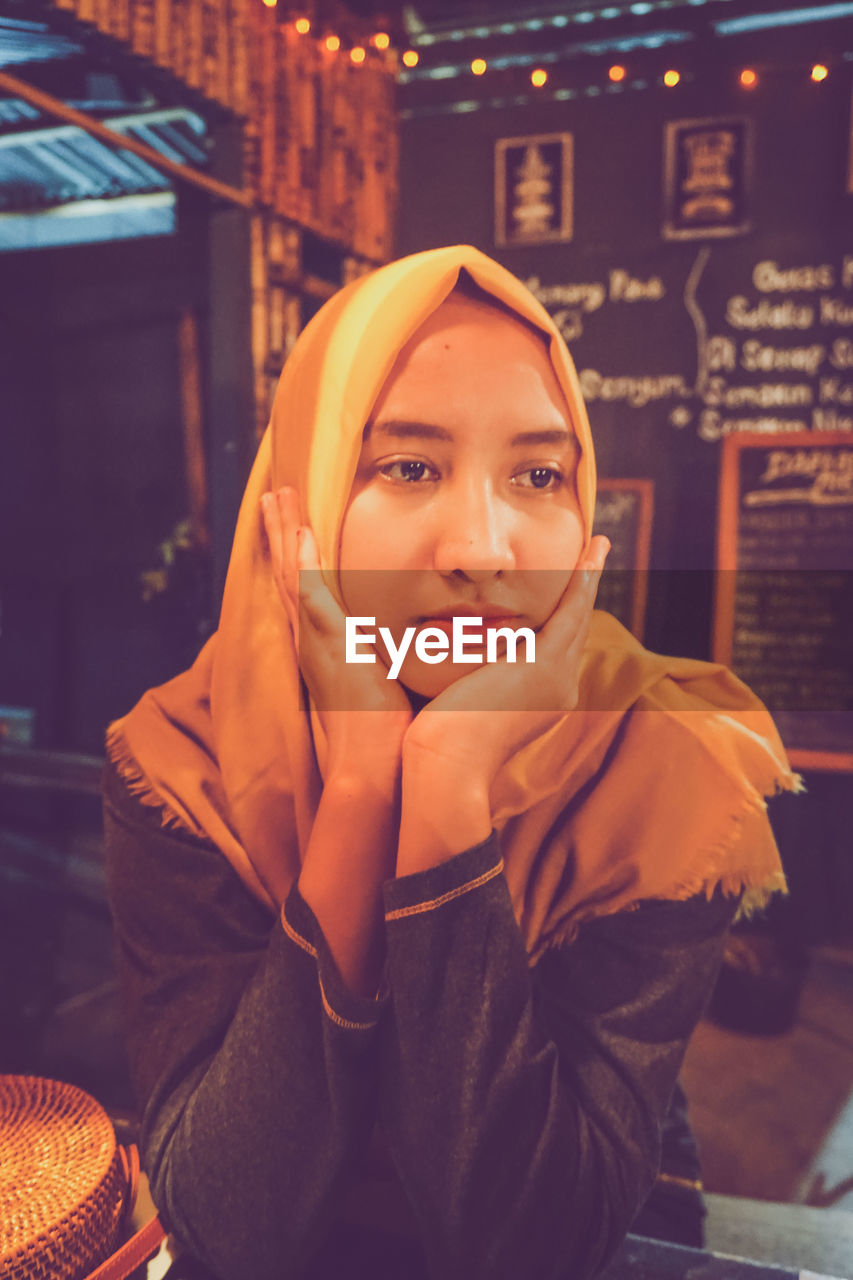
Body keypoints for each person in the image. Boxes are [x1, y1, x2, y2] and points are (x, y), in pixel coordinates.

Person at [102, 245, 798, 1280]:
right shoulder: (180, 763)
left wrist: (449, 786)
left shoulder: (657, 761)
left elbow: (534, 1245)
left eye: (536, 475)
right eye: (408, 465)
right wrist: (362, 789)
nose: (484, 544)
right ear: (301, 501)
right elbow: (227, 1220)